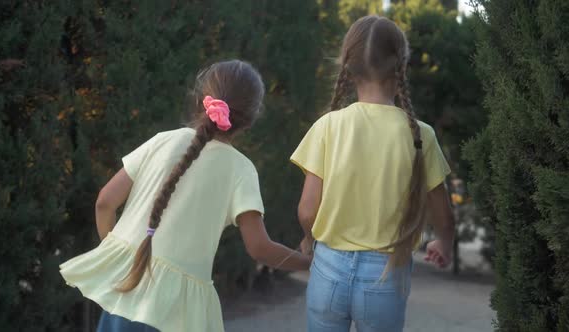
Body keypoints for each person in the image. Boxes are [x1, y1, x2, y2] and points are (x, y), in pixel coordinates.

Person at [60, 60, 312, 332]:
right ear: (250, 119)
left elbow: (104, 202)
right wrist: (307, 262)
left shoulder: (163, 140)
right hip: (177, 312)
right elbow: (259, 247)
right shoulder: (241, 170)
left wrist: (117, 258)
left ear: (202, 99)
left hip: (126, 290)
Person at [291, 16, 455, 332]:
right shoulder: (421, 135)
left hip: (328, 270)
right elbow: (444, 216)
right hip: (386, 275)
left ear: (348, 68)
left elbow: (307, 210)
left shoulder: (328, 126)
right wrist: (444, 243)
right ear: (401, 66)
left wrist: (309, 239)